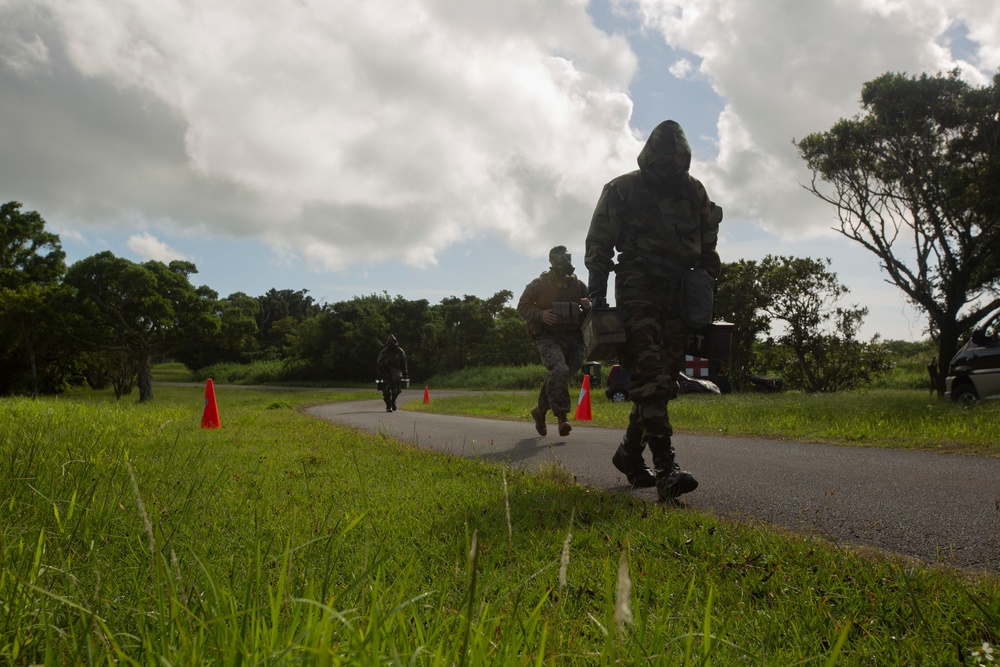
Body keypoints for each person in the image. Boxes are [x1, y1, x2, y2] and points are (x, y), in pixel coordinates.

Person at [585, 120, 723, 501]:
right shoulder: (623, 188)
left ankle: (629, 455)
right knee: (649, 371)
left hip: (680, 291)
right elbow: (599, 243)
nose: (672, 168)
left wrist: (707, 286)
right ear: (650, 157)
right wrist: (597, 299)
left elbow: (708, 239)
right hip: (638, 284)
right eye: (665, 161)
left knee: (662, 379)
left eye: (678, 161)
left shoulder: (694, 190)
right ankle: (666, 470)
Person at [517, 246, 591, 437]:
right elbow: (522, 307)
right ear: (550, 261)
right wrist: (540, 314)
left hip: (574, 338)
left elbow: (593, 307)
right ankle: (562, 418)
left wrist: (588, 305)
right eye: (559, 258)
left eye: (566, 257)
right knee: (559, 370)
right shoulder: (539, 284)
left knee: (561, 375)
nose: (563, 261)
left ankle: (540, 411)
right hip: (549, 337)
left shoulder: (579, 285)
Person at [376, 334, 408, 412]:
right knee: (386, 391)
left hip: (396, 373)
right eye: (390, 341)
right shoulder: (384, 352)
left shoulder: (400, 351)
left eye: (393, 341)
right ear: (388, 342)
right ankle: (388, 405)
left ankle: (393, 401)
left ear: (396, 342)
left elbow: (404, 363)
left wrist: (405, 373)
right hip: (386, 373)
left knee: (396, 390)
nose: (392, 343)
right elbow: (379, 363)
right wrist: (379, 374)